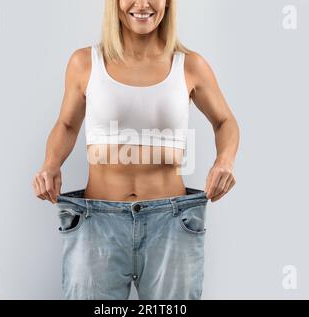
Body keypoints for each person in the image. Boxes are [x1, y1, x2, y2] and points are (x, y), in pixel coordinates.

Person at [33, 0, 239, 299]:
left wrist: (225, 161)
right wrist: (50, 165)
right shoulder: (85, 62)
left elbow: (225, 121)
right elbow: (66, 125)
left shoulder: (190, 64)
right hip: (96, 221)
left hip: (171, 222)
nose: (142, 4)